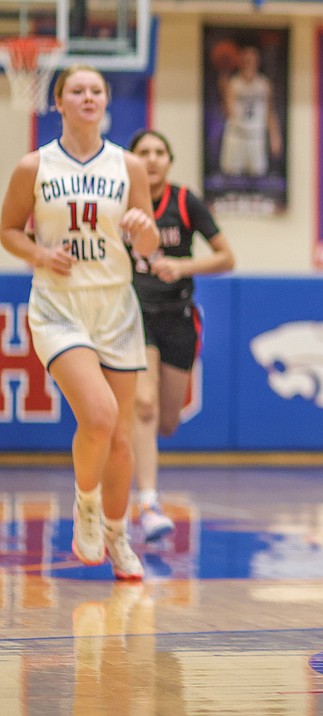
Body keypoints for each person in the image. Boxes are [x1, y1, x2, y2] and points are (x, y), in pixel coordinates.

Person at [0, 65, 159, 580]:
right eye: (77, 90)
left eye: (96, 90)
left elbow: (150, 243)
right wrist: (41, 254)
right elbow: (7, 231)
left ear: (106, 101)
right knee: (97, 415)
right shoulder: (34, 165)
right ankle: (85, 505)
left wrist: (142, 228)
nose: (87, 97)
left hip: (116, 307)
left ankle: (118, 538)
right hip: (59, 306)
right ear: (60, 102)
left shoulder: (129, 165)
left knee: (119, 439)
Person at [126, 129, 236, 542]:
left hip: (178, 316)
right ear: (132, 161)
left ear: (169, 161)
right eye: (143, 153)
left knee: (166, 421)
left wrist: (181, 266)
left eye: (159, 152)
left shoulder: (185, 201)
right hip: (132, 314)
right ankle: (149, 502)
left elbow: (227, 256)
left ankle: (134, 452)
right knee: (145, 404)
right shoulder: (119, 201)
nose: (152, 159)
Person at [218, 46, 281, 178]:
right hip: (236, 134)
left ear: (257, 62)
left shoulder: (264, 84)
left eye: (252, 60)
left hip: (256, 135)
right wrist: (224, 91)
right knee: (232, 176)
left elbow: (270, 112)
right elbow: (228, 113)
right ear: (240, 62)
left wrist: (275, 137)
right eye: (245, 60)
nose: (248, 63)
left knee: (258, 176)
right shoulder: (233, 83)